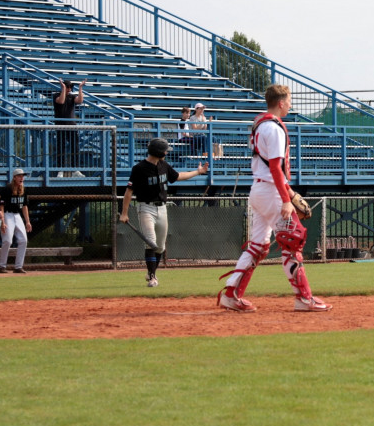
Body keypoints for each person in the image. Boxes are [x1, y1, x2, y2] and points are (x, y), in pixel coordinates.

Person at [218, 84, 331, 312]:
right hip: (270, 191)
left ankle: (231, 295)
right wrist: (286, 199)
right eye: (288, 101)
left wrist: (288, 193)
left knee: (258, 246)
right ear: (280, 103)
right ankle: (304, 298)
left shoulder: (260, 126)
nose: (290, 105)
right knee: (293, 241)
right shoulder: (274, 128)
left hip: (259, 191)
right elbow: (276, 168)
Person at [119, 138, 208, 287]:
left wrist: (198, 172)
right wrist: (124, 213)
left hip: (162, 208)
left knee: (160, 246)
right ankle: (153, 277)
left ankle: (151, 272)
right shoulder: (139, 168)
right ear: (158, 152)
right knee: (151, 242)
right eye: (165, 151)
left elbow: (178, 176)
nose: (166, 153)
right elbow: (129, 192)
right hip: (146, 208)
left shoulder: (163, 165)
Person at [0, 169, 32, 273]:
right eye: (19, 176)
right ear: (14, 177)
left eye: (23, 176)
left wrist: (27, 221)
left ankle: (18, 267)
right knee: (7, 240)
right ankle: (2, 266)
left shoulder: (23, 189)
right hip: (7, 214)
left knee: (23, 240)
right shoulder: (8, 188)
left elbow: (24, 206)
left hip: (17, 216)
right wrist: (2, 221)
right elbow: (1, 205)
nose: (22, 178)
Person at [54, 78, 86, 177]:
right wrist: (63, 89)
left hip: (71, 126)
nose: (69, 89)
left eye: (70, 87)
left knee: (75, 147)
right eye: (67, 86)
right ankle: (61, 170)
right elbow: (61, 101)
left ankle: (75, 170)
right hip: (61, 126)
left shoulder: (72, 97)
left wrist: (80, 88)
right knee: (61, 148)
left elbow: (80, 100)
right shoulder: (56, 95)